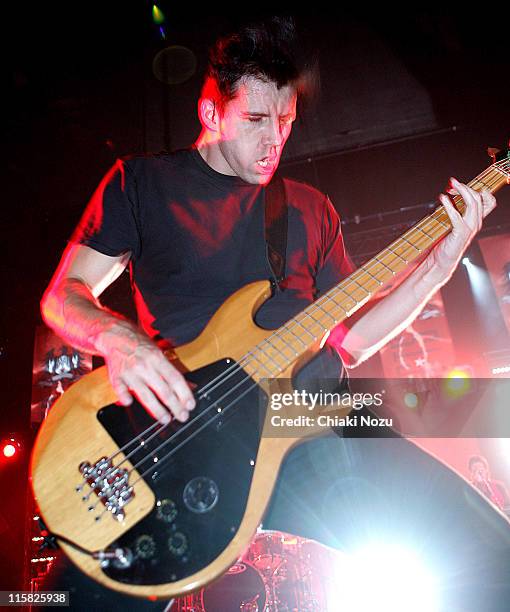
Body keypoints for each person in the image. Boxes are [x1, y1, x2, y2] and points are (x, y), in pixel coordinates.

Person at [39, 17, 507, 609]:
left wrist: (439, 268)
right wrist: (119, 339)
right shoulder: (142, 183)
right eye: (256, 121)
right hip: (182, 431)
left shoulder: (310, 208)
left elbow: (350, 342)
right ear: (211, 113)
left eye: (284, 124)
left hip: (301, 416)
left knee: (488, 556)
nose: (274, 143)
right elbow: (64, 295)